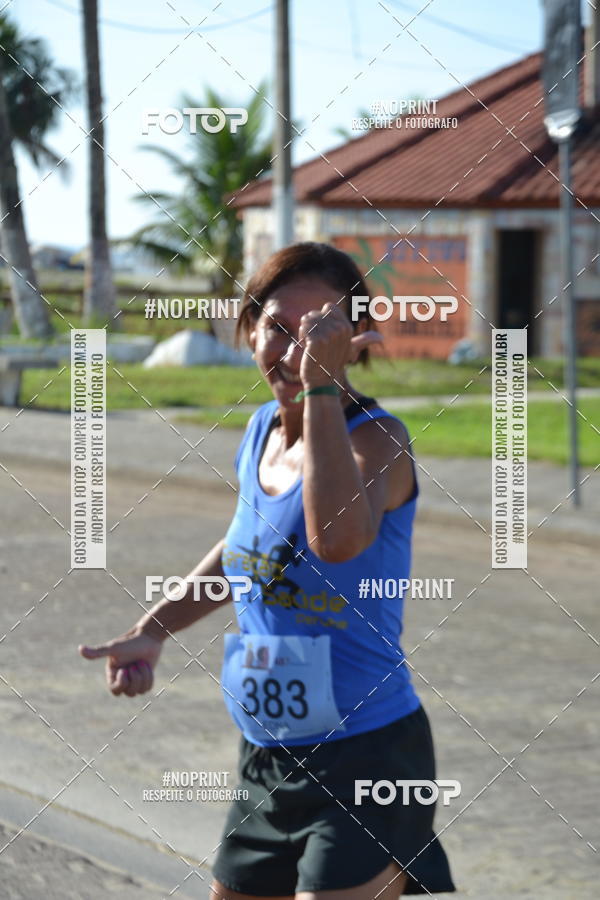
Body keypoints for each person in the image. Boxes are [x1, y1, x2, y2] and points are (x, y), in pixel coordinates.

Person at [80, 242, 456, 899]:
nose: (290, 351)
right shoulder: (259, 431)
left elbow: (336, 540)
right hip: (268, 755)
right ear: (248, 327)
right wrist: (154, 628)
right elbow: (244, 555)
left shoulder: (379, 441)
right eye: (277, 327)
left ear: (354, 340)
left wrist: (317, 388)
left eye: (319, 333)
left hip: (368, 756)